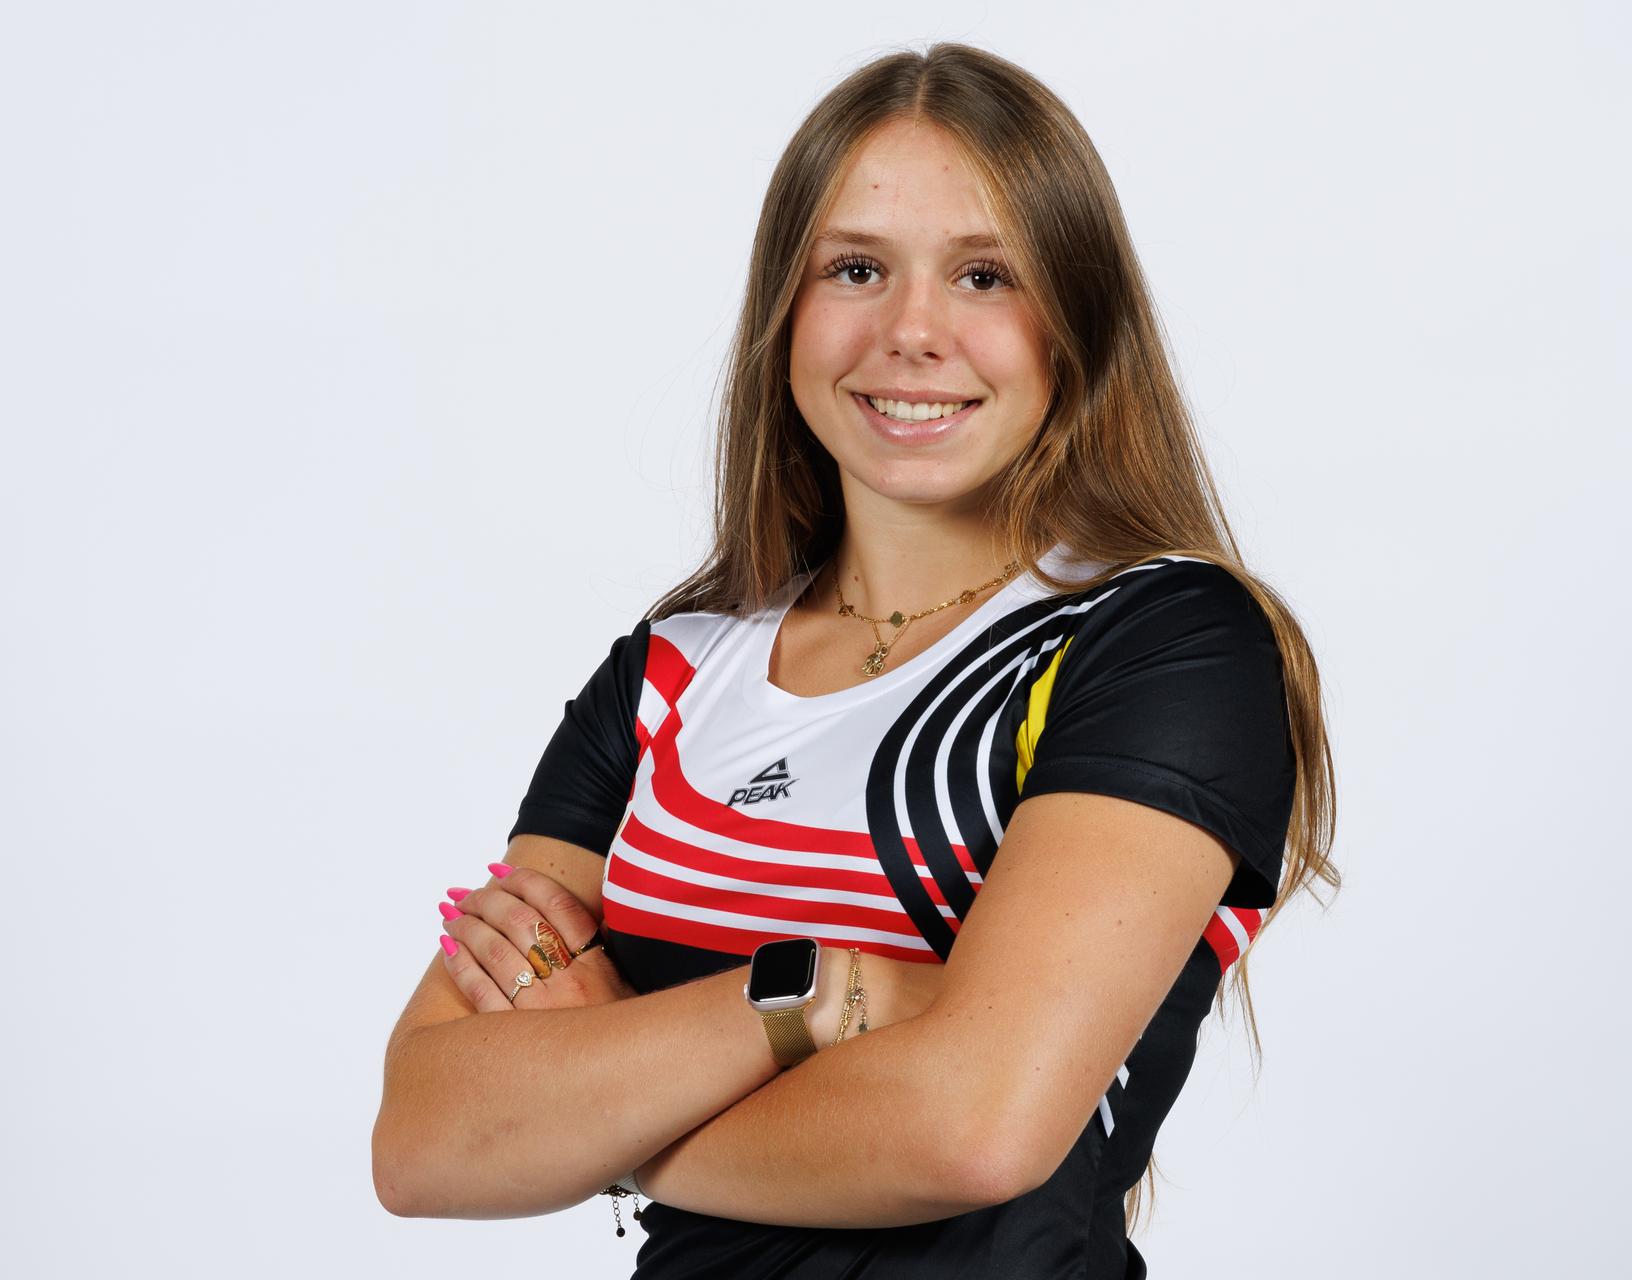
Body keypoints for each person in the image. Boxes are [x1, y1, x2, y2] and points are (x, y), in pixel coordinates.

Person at [373, 41, 1338, 1279]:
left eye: (985, 273)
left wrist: (599, 1115)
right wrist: (816, 992)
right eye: (857, 268)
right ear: (787, 309)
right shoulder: (672, 671)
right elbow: (426, 1135)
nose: (912, 332)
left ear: (1077, 320)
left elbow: (976, 1126)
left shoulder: (1164, 644)